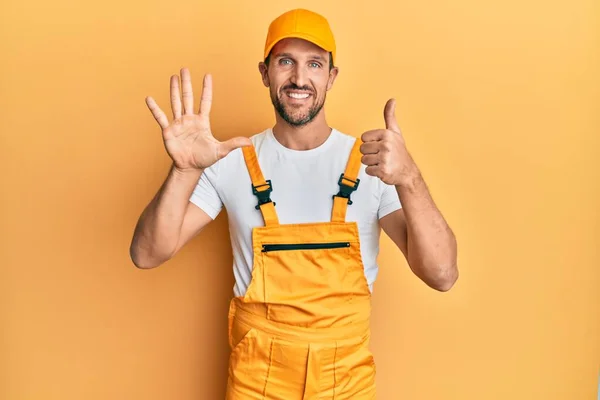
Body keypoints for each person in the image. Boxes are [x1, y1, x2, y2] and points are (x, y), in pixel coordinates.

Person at [130, 8, 458, 399]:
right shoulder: (230, 161)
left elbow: (442, 275)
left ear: (331, 76)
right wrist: (183, 171)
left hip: (346, 384)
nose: (300, 78)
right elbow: (148, 253)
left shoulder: (374, 164)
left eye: (314, 64)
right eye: (286, 61)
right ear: (265, 72)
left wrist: (410, 178)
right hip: (257, 383)